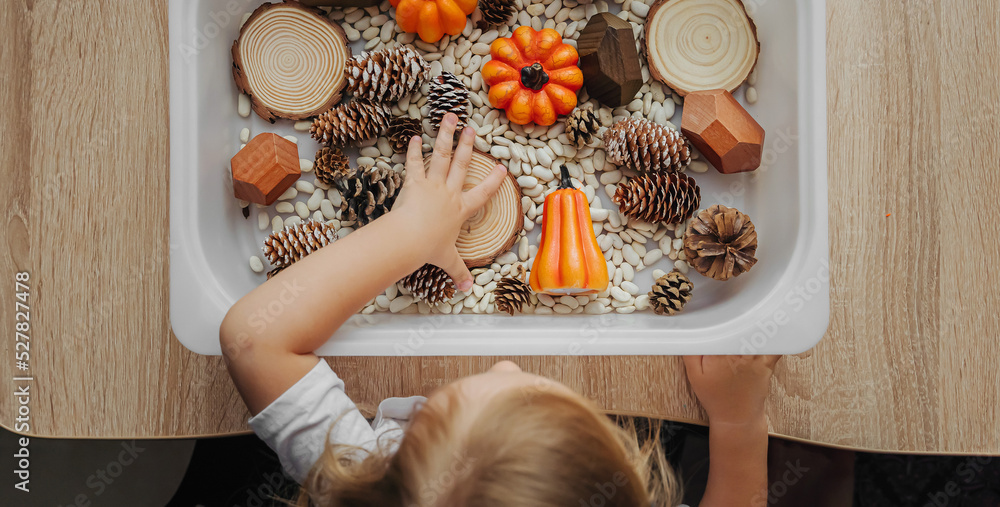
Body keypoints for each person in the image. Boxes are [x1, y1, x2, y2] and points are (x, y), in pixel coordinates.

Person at [221, 112, 780, 506]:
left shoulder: (361, 474)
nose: (506, 364)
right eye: (534, 389)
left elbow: (255, 340)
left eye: (436, 409)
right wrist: (737, 425)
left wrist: (409, 232)